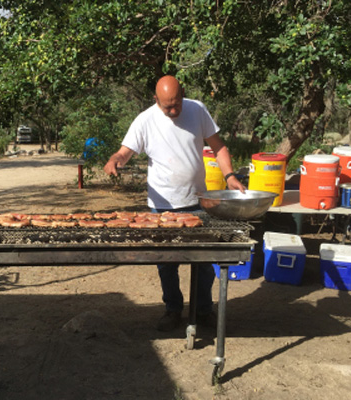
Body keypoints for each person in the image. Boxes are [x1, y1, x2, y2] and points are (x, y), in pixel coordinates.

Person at [104, 75, 245, 332]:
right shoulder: (145, 120)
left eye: (177, 104)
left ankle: (203, 311)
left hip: (197, 201)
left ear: (182, 95)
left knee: (204, 262)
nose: (173, 110)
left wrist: (230, 176)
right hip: (161, 206)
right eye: (167, 105)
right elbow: (124, 151)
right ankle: (173, 310)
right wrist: (115, 160)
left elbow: (219, 147)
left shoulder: (197, 110)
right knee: (166, 262)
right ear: (156, 100)